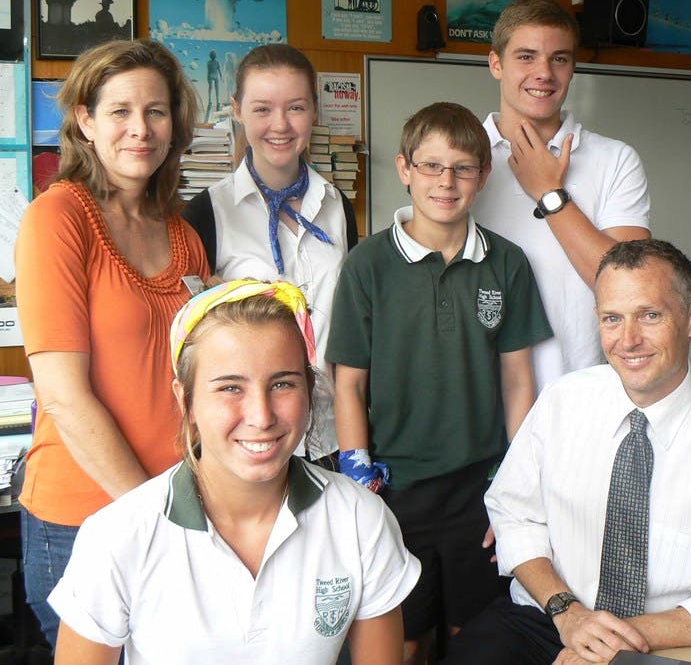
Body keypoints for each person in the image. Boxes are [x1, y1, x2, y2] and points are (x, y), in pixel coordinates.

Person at [444, 239, 691, 665]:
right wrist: (569, 615)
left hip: (669, 637)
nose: (629, 340)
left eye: (650, 315)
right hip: (553, 615)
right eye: (612, 318)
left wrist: (611, 637)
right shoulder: (561, 402)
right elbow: (514, 512)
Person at [48, 280, 421, 665]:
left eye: (282, 384)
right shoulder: (119, 536)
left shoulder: (360, 519)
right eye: (230, 388)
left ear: (308, 390)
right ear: (186, 399)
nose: (261, 417)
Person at [327, 102, 552, 664]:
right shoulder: (367, 266)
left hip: (481, 488)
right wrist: (359, 476)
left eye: (462, 168)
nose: (445, 182)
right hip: (396, 489)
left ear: (484, 174)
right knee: (401, 639)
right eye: (430, 166)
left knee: (471, 634)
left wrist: (514, 482)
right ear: (404, 169)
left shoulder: (508, 263)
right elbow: (349, 384)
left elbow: (517, 381)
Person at [14, 39, 208, 650]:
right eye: (119, 111)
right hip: (85, 518)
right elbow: (65, 397)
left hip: (179, 507)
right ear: (85, 120)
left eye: (156, 111)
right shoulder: (57, 219)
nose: (140, 129)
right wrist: (158, 515)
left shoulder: (183, 235)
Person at [183, 44, 358, 466]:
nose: (280, 125)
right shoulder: (207, 213)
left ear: (314, 110)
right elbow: (194, 342)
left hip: (333, 435)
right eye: (262, 109)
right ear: (237, 109)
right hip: (251, 438)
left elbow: (352, 325)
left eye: (295, 107)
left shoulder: (338, 206)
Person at [473, 0, 651, 390]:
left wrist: (549, 193)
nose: (544, 73)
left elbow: (631, 287)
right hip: (479, 399)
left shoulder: (616, 159)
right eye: (526, 56)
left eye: (559, 59)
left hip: (584, 391)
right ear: (495, 64)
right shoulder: (460, 162)